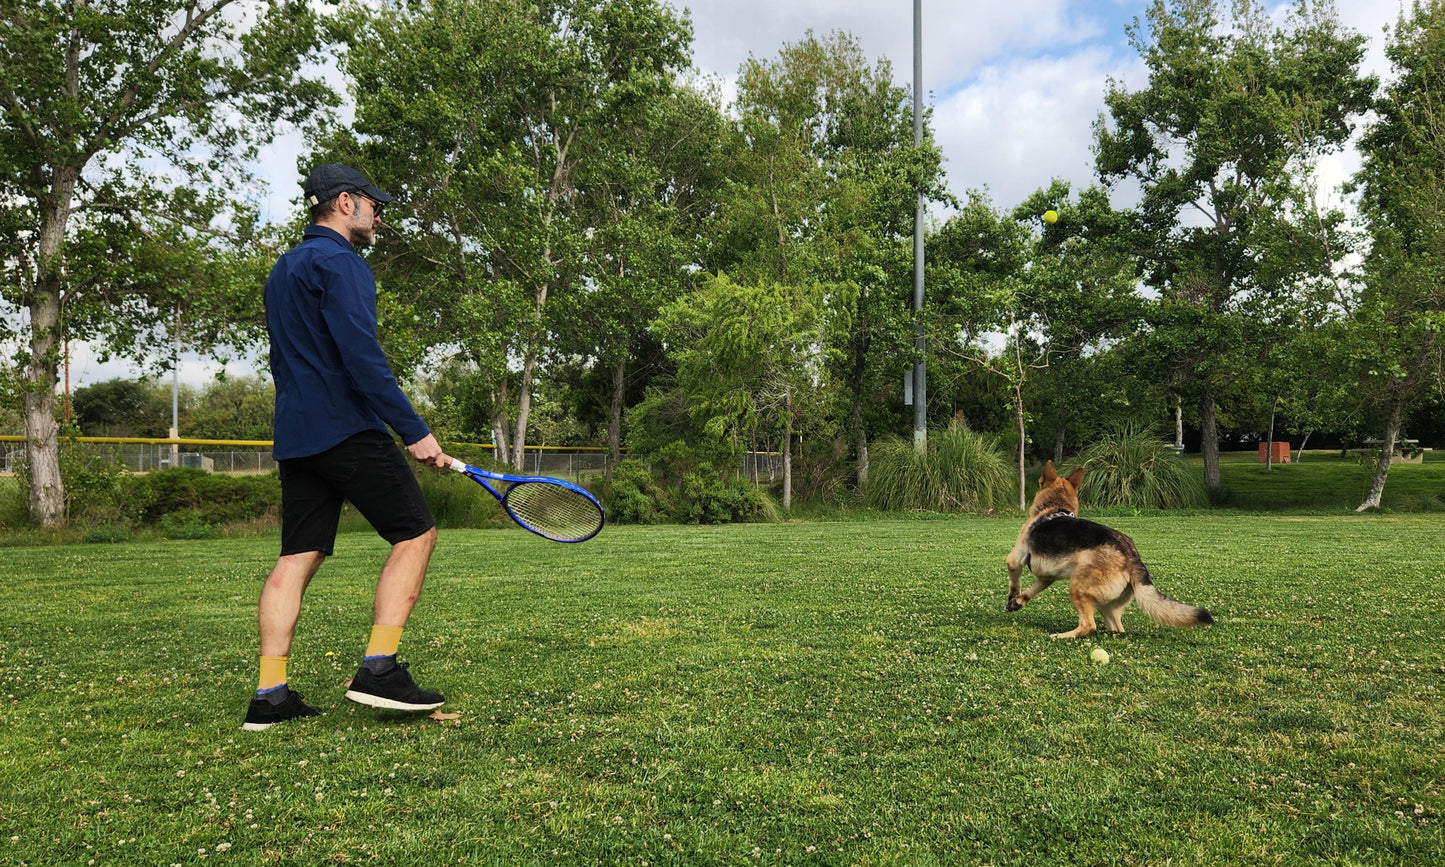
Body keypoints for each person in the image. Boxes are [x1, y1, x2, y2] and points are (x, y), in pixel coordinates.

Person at [243, 163, 452, 731]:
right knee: (416, 532)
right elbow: (363, 361)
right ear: (343, 203)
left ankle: (270, 696)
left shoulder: (284, 269)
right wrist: (414, 431)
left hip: (297, 437)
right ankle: (379, 669)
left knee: (298, 555)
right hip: (347, 429)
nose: (378, 214)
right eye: (372, 204)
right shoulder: (343, 265)